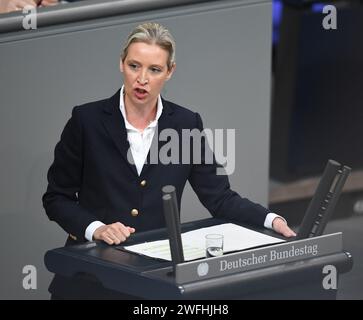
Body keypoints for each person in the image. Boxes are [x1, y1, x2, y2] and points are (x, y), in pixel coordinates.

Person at [42, 22, 296, 299]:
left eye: (154, 69)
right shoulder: (86, 120)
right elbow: (57, 198)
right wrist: (96, 228)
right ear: (121, 64)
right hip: (89, 278)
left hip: (152, 279)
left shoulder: (186, 124)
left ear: (170, 72)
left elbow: (219, 197)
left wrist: (271, 220)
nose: (142, 79)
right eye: (134, 66)